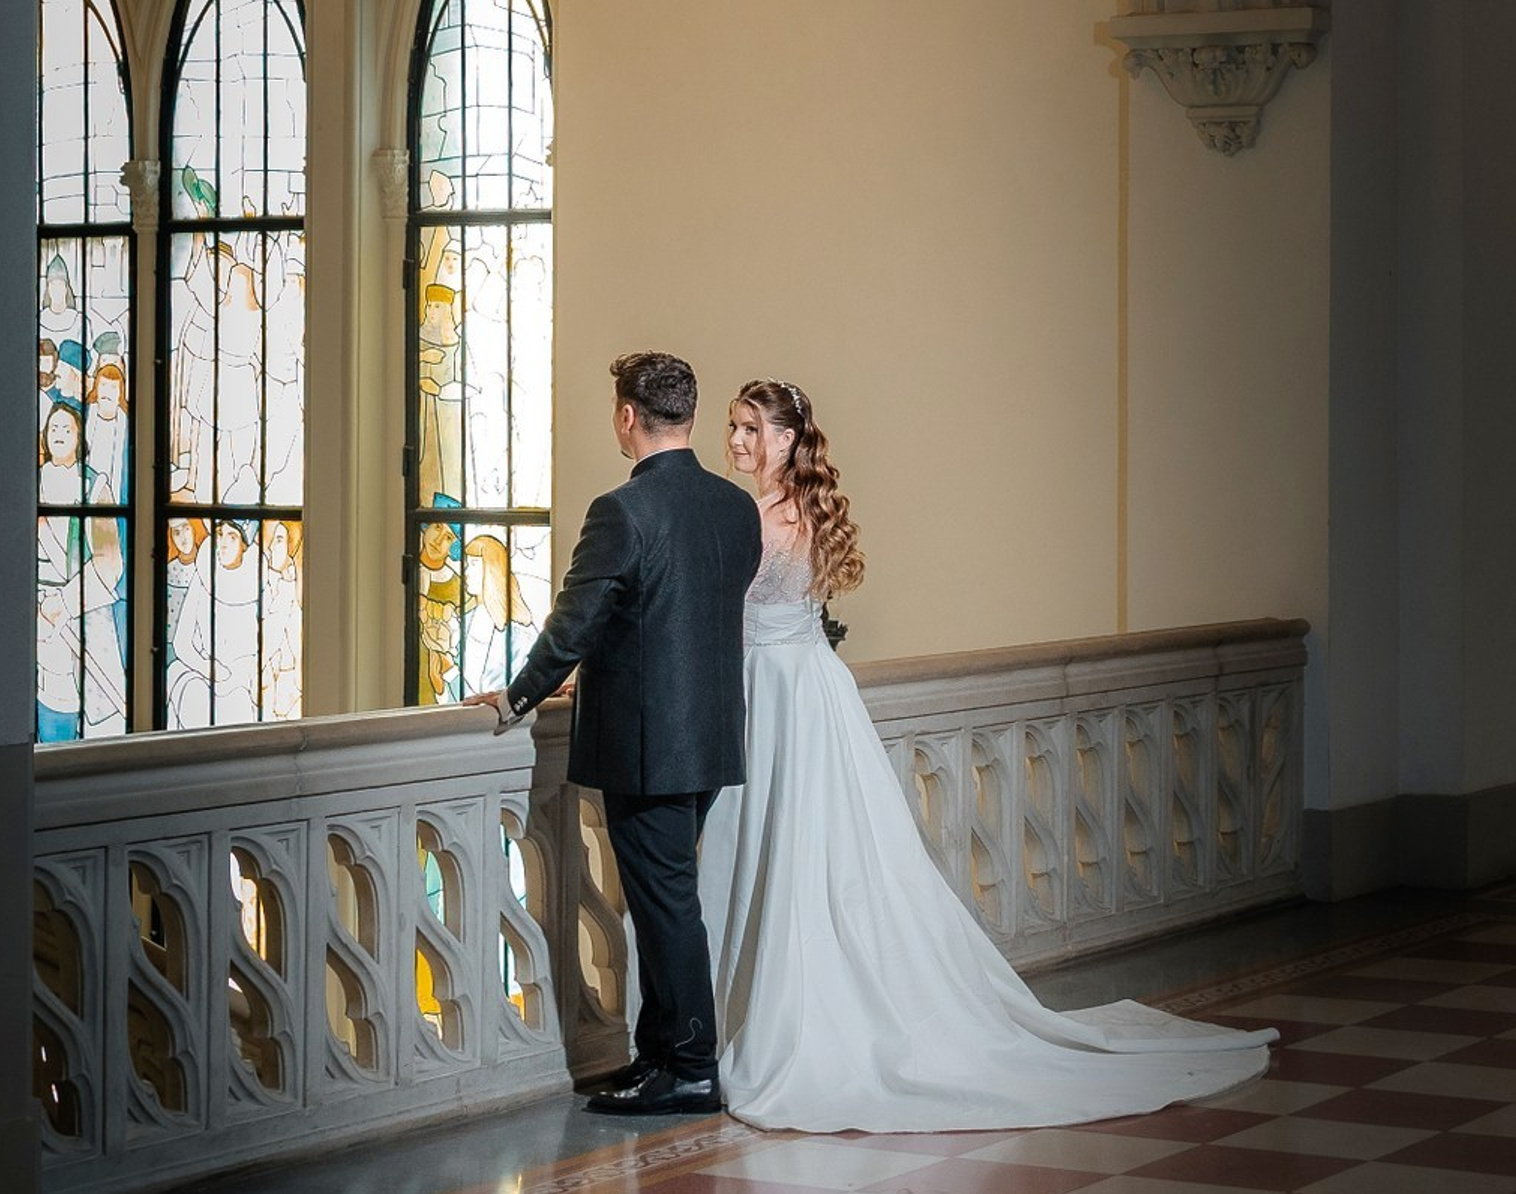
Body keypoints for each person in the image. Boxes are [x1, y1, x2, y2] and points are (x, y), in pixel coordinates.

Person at [698, 378, 1273, 1132]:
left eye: (748, 428)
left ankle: (773, 1020)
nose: (736, 440)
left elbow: (721, 614)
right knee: (803, 854)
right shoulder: (797, 509)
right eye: (733, 426)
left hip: (777, 693)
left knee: (792, 852)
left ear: (783, 438)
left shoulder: (766, 520)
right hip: (803, 689)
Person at [477, 350, 760, 1116]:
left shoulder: (623, 511)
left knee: (667, 904)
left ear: (627, 416)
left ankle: (692, 1063)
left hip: (648, 744)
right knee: (666, 897)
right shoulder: (735, 509)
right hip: (709, 737)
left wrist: (521, 696)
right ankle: (658, 1057)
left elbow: (577, 621)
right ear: (691, 418)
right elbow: (683, 615)